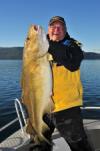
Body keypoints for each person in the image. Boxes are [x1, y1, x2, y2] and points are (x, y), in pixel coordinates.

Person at [45, 16, 94, 151]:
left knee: (79, 146)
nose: (56, 29)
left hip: (67, 107)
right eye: (53, 26)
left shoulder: (73, 46)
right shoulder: (41, 48)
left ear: (65, 30)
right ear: (48, 29)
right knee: (38, 144)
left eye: (60, 27)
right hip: (42, 106)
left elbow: (73, 64)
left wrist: (45, 43)